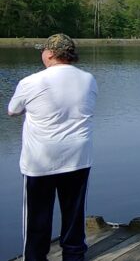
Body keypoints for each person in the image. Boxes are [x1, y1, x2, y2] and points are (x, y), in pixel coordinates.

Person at [7, 34, 97, 261]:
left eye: (43, 51)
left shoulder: (30, 82)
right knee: (74, 213)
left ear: (49, 54)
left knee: (38, 215)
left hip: (40, 161)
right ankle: (74, 255)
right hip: (78, 158)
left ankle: (35, 257)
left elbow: (12, 110)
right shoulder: (88, 79)